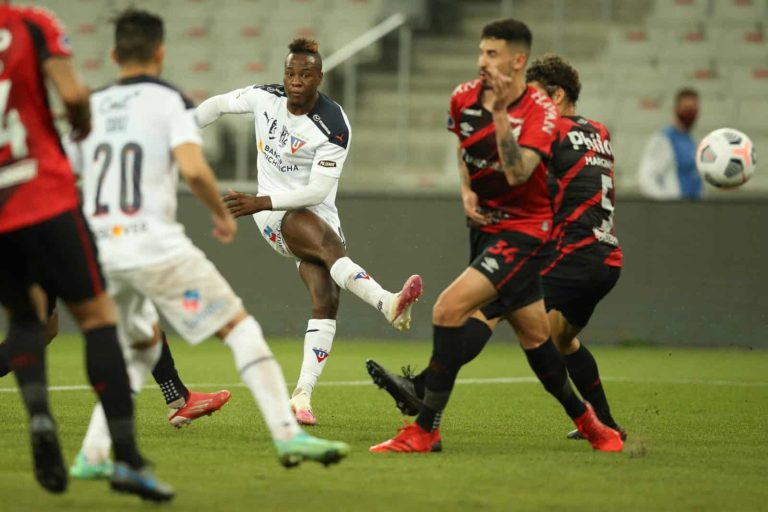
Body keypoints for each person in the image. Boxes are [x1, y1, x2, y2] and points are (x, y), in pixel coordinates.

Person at [70, 9, 348, 477]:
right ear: (160, 52)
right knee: (241, 330)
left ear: (114, 54)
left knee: (138, 346)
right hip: (154, 246)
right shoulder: (167, 101)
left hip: (101, 247)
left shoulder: (92, 103)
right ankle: (288, 434)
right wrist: (222, 213)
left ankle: (93, 454)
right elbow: (195, 169)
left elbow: (70, 169)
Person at [367, 19, 623, 454]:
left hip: (554, 247)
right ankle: (602, 427)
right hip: (603, 256)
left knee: (467, 309)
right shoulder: (597, 133)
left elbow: (518, 171)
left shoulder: (548, 125)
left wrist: (501, 123)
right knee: (549, 340)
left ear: (554, 95)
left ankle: (423, 406)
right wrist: (471, 186)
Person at [196, 39, 423, 426]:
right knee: (331, 250)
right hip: (273, 216)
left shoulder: (333, 125)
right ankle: (386, 302)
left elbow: (317, 192)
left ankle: (302, 395)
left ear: (319, 77)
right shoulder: (263, 97)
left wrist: (262, 200)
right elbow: (216, 105)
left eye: (304, 75)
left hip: (312, 211)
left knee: (326, 298)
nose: (295, 81)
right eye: (290, 73)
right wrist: (180, 130)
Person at [0, 2, 173, 500]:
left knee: (25, 322)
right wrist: (76, 122)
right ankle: (127, 458)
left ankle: (39, 420)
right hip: (44, 195)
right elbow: (74, 94)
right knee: (98, 317)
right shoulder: (34, 24)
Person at [637, 87, 702, 200]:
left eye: (693, 109)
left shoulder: (692, 142)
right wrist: (668, 205)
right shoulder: (664, 139)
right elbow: (646, 179)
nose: (690, 113)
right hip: (676, 209)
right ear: (675, 110)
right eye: (686, 109)